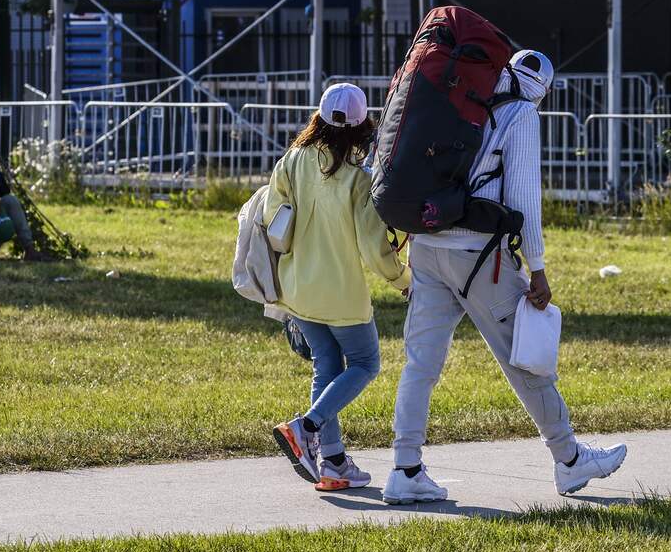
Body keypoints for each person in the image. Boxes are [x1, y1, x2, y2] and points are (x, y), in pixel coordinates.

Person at [382, 50, 627, 505]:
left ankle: (405, 468)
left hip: (427, 246)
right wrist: (538, 268)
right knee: (524, 357)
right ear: (544, 91)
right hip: (478, 255)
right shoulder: (521, 114)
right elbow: (523, 199)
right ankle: (570, 460)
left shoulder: (460, 100)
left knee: (421, 363)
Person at [266, 84, 410, 491]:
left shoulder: (292, 160)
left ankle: (332, 464)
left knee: (326, 367)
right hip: (342, 294)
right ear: (365, 123)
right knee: (365, 363)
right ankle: (305, 426)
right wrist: (403, 279)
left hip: (296, 288)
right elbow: (373, 246)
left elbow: (272, 216)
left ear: (319, 115)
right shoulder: (360, 175)